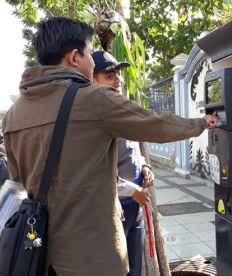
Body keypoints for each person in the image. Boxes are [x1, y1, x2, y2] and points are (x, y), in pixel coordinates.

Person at [2, 17, 217, 276]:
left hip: (37, 253)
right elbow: (154, 124)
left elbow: (17, 184)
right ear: (74, 58)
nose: (92, 62)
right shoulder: (93, 100)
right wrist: (201, 123)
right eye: (90, 54)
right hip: (93, 256)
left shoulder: (13, 115)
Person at [92, 50, 152, 276]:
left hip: (134, 206)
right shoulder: (93, 117)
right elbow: (94, 173)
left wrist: (144, 166)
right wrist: (131, 189)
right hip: (112, 209)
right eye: (110, 75)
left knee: (135, 267)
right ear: (93, 78)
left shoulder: (121, 108)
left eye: (118, 74)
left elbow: (133, 149)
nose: (118, 80)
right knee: (116, 269)